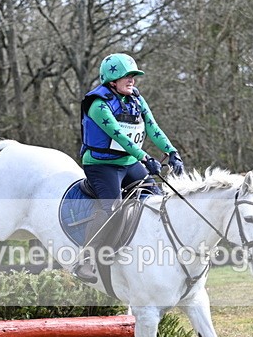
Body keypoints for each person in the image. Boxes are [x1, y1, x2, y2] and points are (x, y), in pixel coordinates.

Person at [75, 53, 186, 283]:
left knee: (158, 198)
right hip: (101, 165)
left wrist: (172, 152)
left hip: (128, 163)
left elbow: (153, 128)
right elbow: (121, 137)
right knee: (111, 208)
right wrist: (146, 158)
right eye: (127, 76)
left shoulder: (136, 98)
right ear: (112, 81)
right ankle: (85, 259)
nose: (132, 80)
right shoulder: (98, 104)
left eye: (134, 76)